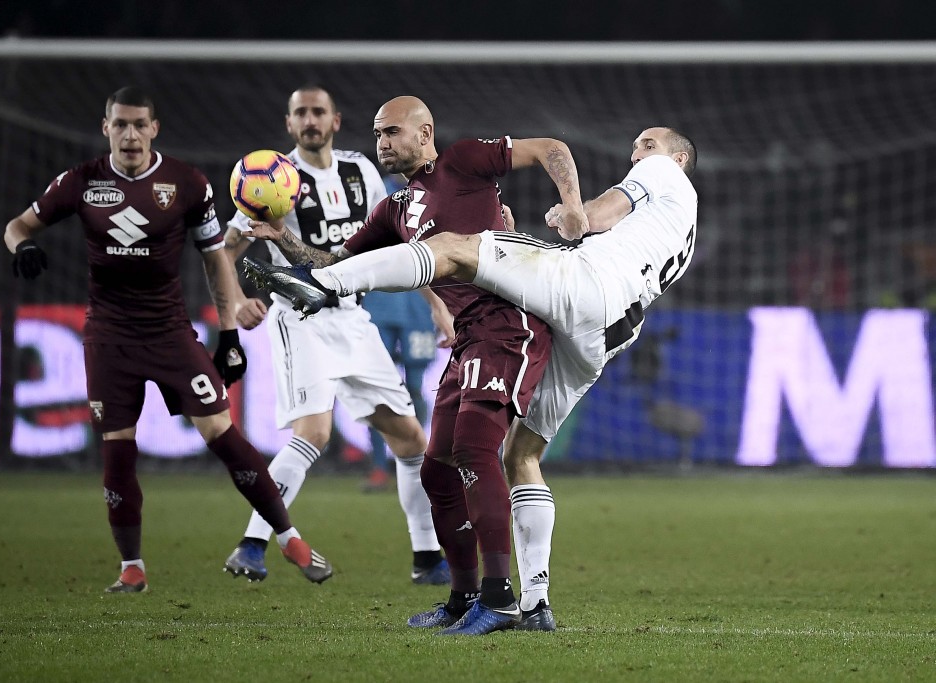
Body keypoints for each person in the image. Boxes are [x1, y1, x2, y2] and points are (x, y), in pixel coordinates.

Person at [248, 125, 698, 629]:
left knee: (454, 249)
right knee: (518, 455)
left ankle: (322, 289)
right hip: (606, 333)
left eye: (649, 145)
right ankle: (536, 603)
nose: (636, 152)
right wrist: (283, 237)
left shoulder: (660, 174)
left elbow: (596, 208)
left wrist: (575, 213)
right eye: (635, 145)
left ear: (678, 159)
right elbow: (346, 254)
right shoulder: (680, 225)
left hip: (575, 290)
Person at [2, 86, 333, 593]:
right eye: (120, 125)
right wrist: (22, 246)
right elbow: (16, 225)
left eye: (139, 125)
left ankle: (288, 538)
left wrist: (227, 333)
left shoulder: (186, 183)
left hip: (170, 333)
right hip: (109, 339)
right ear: (105, 127)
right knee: (118, 450)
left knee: (224, 435)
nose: (130, 134)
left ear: (154, 128)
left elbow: (215, 257)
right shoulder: (81, 181)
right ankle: (131, 568)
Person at [221, 85, 450, 586]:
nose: (309, 119)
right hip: (299, 318)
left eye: (317, 111)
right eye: (300, 112)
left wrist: (436, 304)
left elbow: (401, 238)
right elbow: (225, 249)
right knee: (315, 433)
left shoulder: (359, 170)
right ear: (289, 123)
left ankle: (427, 558)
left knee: (412, 440)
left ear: (335, 120)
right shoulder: (268, 176)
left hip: (351, 317)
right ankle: (253, 544)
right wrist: (235, 303)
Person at [360, 289, 438, 493]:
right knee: (377, 390)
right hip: (377, 303)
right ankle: (379, 466)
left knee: (414, 388)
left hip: (418, 306)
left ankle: (419, 461)